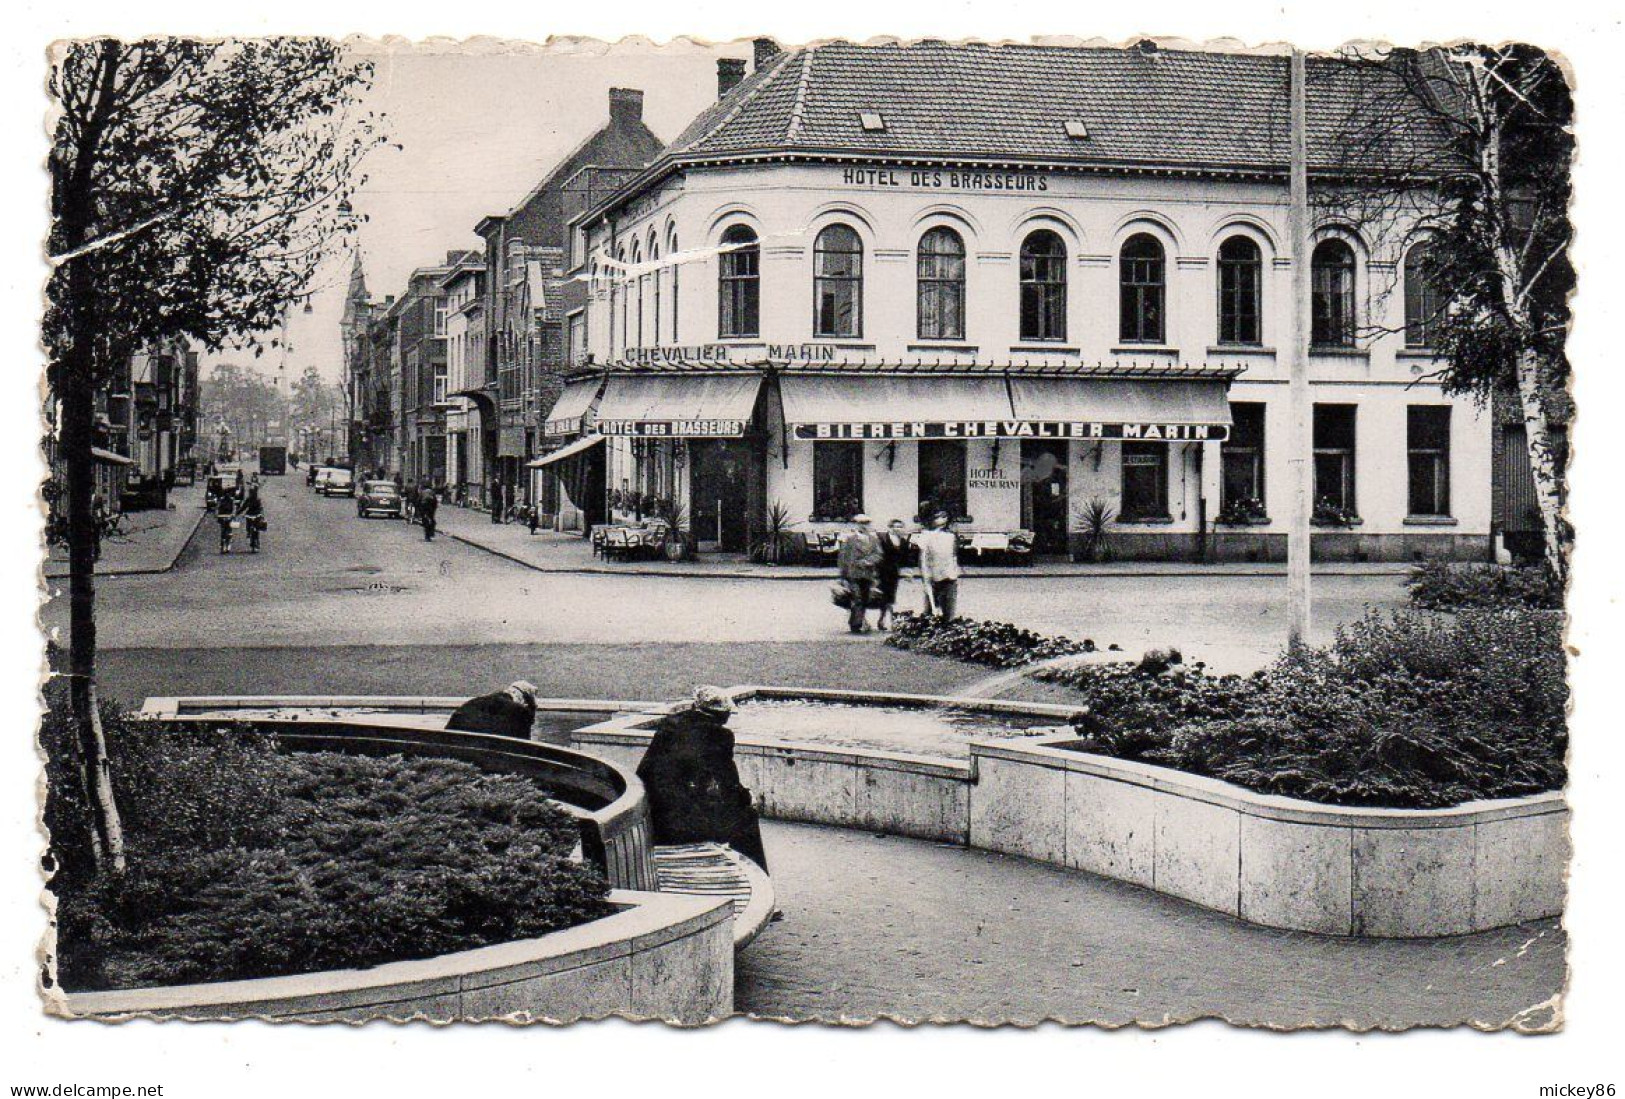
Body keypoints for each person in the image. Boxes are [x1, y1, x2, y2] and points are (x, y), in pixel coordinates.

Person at [635, 686, 768, 871]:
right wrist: (747, 797)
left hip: (654, 811)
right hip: (680, 824)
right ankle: (755, 871)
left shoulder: (671, 724)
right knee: (746, 814)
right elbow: (728, 782)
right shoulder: (719, 735)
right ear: (719, 714)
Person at [836, 513, 883, 634]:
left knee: (866, 598)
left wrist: (868, 561)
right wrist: (842, 576)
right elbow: (843, 558)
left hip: (867, 574)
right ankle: (856, 625)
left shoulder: (874, 539)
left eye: (866, 523)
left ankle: (856, 619)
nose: (864, 526)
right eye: (861, 523)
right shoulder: (849, 539)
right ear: (856, 524)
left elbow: (879, 554)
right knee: (858, 598)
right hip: (853, 574)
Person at [446, 680, 540, 740]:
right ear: (523, 700)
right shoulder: (519, 711)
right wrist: (531, 710)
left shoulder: (474, 702)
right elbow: (524, 746)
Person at [916, 509, 961, 619]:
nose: (942, 519)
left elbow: (953, 554)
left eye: (945, 517)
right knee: (930, 609)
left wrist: (954, 569)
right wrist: (925, 574)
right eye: (939, 517)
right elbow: (923, 557)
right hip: (933, 576)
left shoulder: (951, 536)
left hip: (949, 575)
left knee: (949, 609)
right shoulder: (926, 535)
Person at [875, 518, 912, 631]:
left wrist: (907, 572)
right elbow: (878, 555)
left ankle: (883, 620)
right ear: (890, 527)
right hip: (882, 571)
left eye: (900, 527)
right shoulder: (883, 539)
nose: (898, 529)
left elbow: (905, 559)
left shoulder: (903, 542)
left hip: (894, 573)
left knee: (890, 596)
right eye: (896, 526)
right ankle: (889, 620)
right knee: (885, 597)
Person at [236, 484, 265, 553]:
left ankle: (257, 541)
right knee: (248, 526)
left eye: (253, 492)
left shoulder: (258, 500)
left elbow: (261, 508)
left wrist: (261, 515)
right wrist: (237, 513)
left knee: (257, 529)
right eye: (251, 492)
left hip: (256, 515)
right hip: (250, 515)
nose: (252, 494)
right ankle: (249, 532)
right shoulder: (248, 500)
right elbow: (243, 507)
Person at [215, 488, 237, 554]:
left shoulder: (232, 500)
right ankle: (222, 545)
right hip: (222, 517)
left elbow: (234, 508)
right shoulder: (221, 500)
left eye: (228, 493)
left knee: (229, 531)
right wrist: (217, 514)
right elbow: (217, 508)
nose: (227, 495)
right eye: (226, 493)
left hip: (229, 517)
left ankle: (228, 543)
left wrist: (233, 514)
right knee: (223, 531)